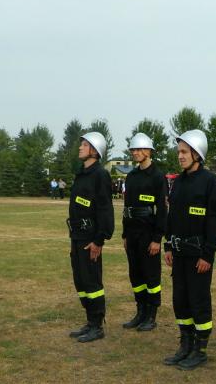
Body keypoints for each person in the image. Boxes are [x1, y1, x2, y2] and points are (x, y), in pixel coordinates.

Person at [162, 129, 216, 370]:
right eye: (179, 152)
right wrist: (168, 244)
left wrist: (208, 254)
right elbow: (172, 216)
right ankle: (185, 344)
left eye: (185, 152)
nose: (180, 156)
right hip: (179, 254)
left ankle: (200, 349)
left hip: (199, 256)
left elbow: (215, 220)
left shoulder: (210, 182)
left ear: (197, 154)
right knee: (180, 300)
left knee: (199, 300)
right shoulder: (178, 182)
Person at [66, 132, 114, 343]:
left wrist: (99, 240)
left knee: (92, 281)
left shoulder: (100, 175)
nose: (80, 147)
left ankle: (97, 325)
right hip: (77, 236)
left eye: (84, 145)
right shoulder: (81, 174)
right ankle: (90, 320)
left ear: (94, 150)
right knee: (80, 280)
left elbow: (105, 209)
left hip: (90, 238)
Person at [121, 132, 168, 332]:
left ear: (149, 151)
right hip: (132, 234)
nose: (135, 152)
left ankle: (151, 315)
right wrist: (124, 234)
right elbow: (126, 207)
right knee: (136, 275)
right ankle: (140, 312)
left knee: (151, 276)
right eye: (133, 149)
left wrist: (157, 238)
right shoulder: (131, 177)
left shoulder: (158, 177)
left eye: (139, 149)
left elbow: (162, 210)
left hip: (148, 235)